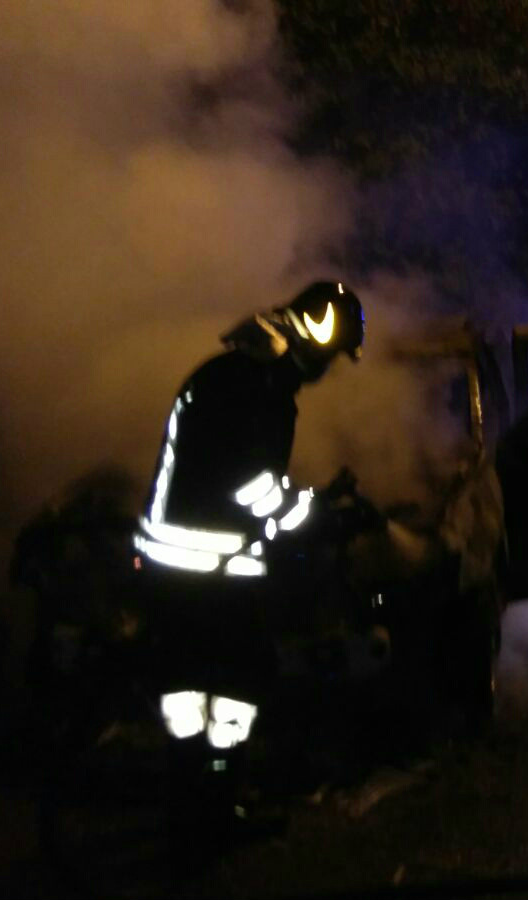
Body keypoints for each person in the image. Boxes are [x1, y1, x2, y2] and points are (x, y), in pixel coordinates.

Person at [132, 280, 364, 837]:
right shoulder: (259, 387)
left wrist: (310, 501)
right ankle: (217, 807)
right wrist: (317, 516)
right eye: (333, 356)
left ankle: (188, 807)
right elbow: (252, 487)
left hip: (170, 560)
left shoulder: (231, 374)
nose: (328, 369)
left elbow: (229, 474)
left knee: (188, 679)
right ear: (317, 335)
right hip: (212, 565)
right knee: (243, 676)